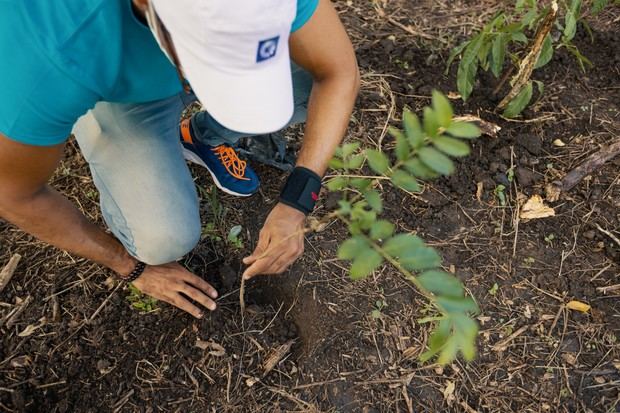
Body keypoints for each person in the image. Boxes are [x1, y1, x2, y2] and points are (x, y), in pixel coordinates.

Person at [0, 0, 359, 318]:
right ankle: (107, 127)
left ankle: (201, 137)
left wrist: (297, 201)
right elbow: (14, 194)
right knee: (163, 239)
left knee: (308, 81)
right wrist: (131, 268)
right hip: (122, 97)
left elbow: (337, 73)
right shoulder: (57, 48)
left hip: (164, 65)